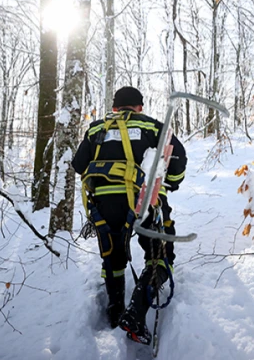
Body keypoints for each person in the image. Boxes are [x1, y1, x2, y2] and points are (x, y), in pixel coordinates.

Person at [71, 86, 187, 344]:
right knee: (160, 256)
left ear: (114, 108)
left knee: (113, 259)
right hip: (146, 201)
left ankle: (115, 312)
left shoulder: (95, 129)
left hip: (104, 204)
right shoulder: (154, 127)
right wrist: (170, 184)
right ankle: (136, 314)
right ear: (140, 107)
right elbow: (178, 161)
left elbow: (78, 165)